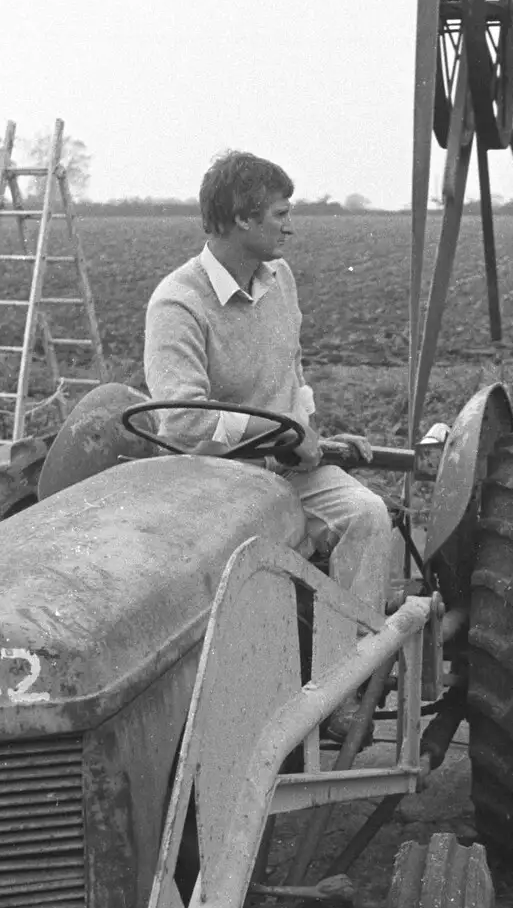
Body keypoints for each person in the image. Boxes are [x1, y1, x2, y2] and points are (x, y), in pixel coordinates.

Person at [143, 149, 393, 621]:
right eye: (280, 214)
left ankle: (351, 667)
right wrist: (283, 436)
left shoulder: (280, 279)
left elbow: (290, 373)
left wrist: (316, 436)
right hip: (214, 484)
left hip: (290, 468)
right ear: (241, 218)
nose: (289, 226)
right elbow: (181, 422)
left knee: (366, 515)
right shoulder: (177, 305)